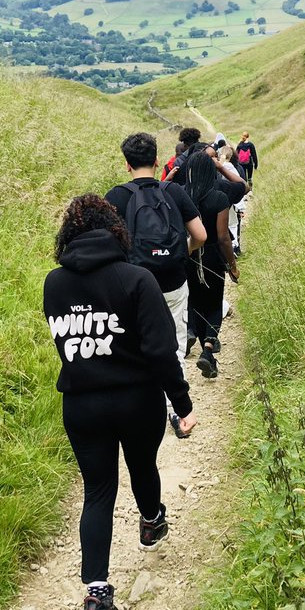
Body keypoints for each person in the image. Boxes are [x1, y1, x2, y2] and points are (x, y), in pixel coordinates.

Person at [44, 194, 197, 610]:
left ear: (68, 236)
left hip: (81, 404)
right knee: (142, 464)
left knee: (97, 491)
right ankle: (151, 523)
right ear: (117, 230)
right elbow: (161, 352)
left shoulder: (54, 284)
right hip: (136, 400)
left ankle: (95, 598)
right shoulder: (137, 279)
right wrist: (182, 405)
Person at [104, 132, 206, 436]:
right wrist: (178, 253)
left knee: (134, 344)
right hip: (174, 281)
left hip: (133, 285)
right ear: (157, 160)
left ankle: (141, 408)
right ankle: (178, 413)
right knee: (173, 344)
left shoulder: (116, 197)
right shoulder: (173, 191)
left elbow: (109, 246)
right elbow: (200, 236)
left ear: (126, 164)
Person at [184, 151, 238, 379]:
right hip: (213, 258)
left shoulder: (182, 196)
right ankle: (207, 348)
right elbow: (223, 236)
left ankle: (191, 332)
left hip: (188, 255)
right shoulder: (219, 198)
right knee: (214, 302)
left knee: (193, 299)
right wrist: (232, 264)